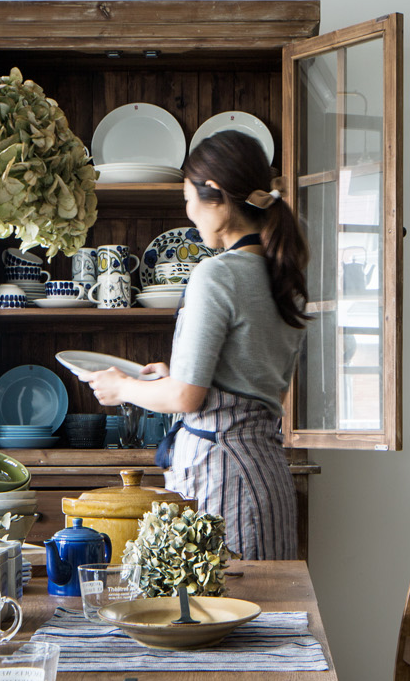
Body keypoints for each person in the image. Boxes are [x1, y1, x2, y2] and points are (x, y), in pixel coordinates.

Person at [85, 130, 308, 559]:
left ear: (216, 195)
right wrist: (174, 376)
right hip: (265, 471)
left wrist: (123, 388)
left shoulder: (217, 274)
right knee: (268, 599)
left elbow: (187, 397)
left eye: (189, 199)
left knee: (221, 599)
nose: (188, 212)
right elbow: (251, 379)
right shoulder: (285, 275)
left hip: (224, 476)